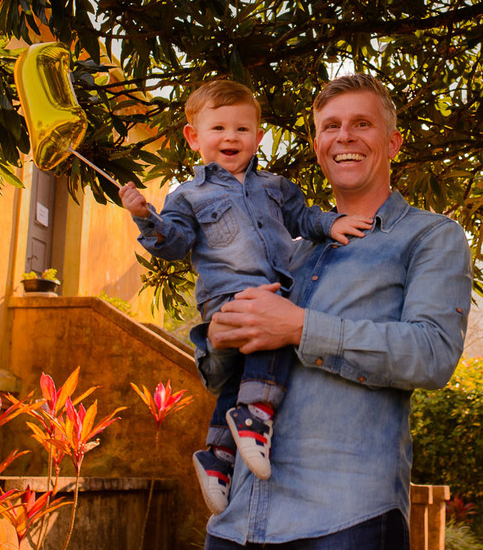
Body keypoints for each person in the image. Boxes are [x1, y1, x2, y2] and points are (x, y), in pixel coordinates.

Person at [193, 73, 473, 549]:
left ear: (393, 142)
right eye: (330, 126)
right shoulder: (288, 250)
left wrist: (300, 328)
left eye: (362, 123)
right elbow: (223, 377)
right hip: (238, 523)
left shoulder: (430, 237)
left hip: (347, 521)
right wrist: (219, 338)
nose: (345, 136)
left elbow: (432, 353)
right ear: (318, 145)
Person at [118, 80, 371, 514]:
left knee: (237, 377)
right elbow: (175, 244)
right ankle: (255, 414)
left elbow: (303, 217)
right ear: (193, 137)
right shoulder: (189, 196)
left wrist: (331, 224)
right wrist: (146, 217)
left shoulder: (276, 187)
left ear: (257, 136)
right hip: (227, 297)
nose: (231, 138)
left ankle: (217, 456)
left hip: (276, 288)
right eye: (218, 128)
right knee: (273, 338)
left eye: (242, 129)